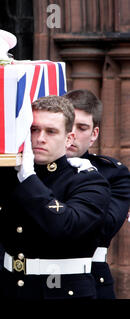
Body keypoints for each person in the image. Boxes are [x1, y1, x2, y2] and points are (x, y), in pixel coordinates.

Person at [0, 95, 111, 299]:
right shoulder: (10, 177)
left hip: (62, 291)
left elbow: (65, 226)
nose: (40, 138)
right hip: (11, 289)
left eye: (51, 131)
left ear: (68, 138)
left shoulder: (89, 182)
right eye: (34, 130)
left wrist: (28, 177)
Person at [64, 89, 130, 298]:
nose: (72, 134)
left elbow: (102, 229)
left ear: (94, 134)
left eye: (82, 127)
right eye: (67, 124)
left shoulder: (112, 173)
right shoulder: (29, 171)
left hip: (89, 279)